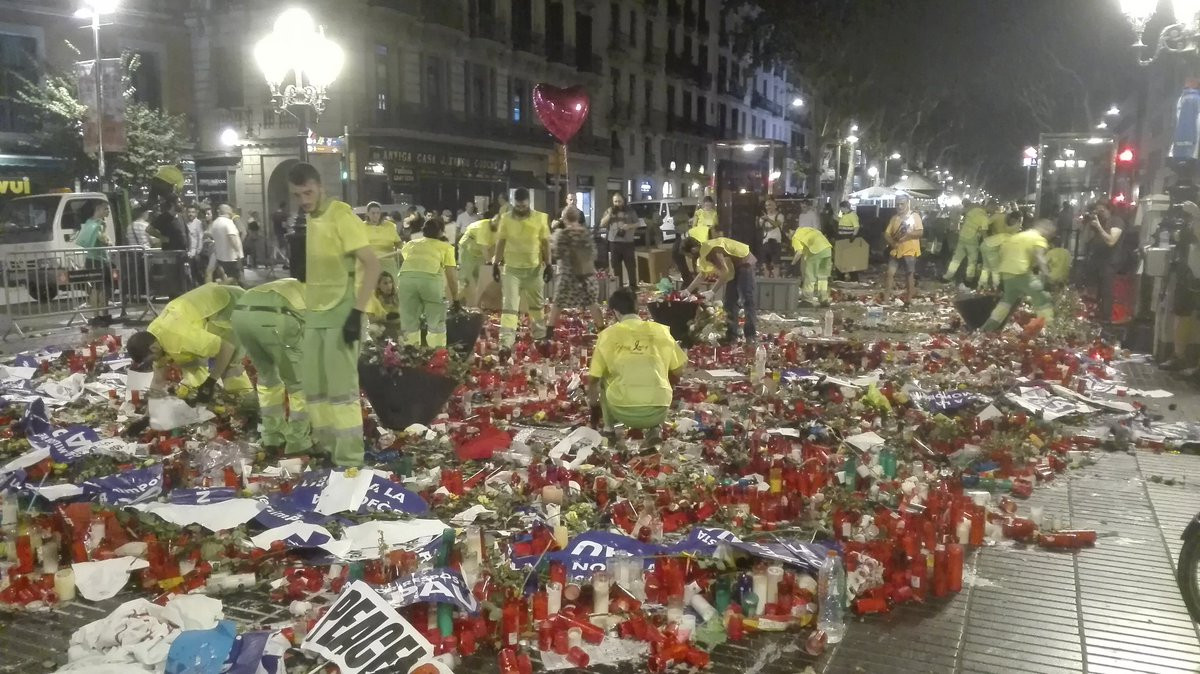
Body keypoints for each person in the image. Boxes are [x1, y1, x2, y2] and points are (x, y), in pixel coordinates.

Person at [290, 162, 380, 468]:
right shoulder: (311, 219)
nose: (303, 199)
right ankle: (328, 449)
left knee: (342, 392)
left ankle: (350, 458)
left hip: (342, 313)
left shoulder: (341, 215)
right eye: (298, 194)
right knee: (315, 389)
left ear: (320, 188)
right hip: (315, 314)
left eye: (308, 192)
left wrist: (357, 313)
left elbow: (373, 265)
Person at [125, 283, 251, 401]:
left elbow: (227, 348)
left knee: (229, 363)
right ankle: (205, 401)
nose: (153, 362)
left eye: (150, 360)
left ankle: (247, 403)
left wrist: (211, 380)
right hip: (203, 313)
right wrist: (149, 415)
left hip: (230, 304)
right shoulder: (152, 336)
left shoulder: (180, 337)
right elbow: (158, 380)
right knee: (187, 362)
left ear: (154, 348)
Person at [587, 288, 686, 438]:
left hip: (622, 411)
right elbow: (679, 371)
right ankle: (655, 428)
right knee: (662, 371)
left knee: (603, 378)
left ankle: (609, 428)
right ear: (637, 309)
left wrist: (594, 409)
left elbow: (592, 379)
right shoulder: (661, 331)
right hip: (658, 411)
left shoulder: (607, 335)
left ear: (616, 312)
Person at [230, 278, 311, 456]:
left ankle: (272, 436)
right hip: (278, 316)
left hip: (241, 313)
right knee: (299, 382)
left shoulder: (295, 284)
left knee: (267, 377)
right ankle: (298, 442)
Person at [494, 188, 551, 350]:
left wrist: (549, 265)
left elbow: (546, 244)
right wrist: (495, 264)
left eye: (523, 206)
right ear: (514, 203)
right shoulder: (505, 219)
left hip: (534, 270)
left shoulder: (540, 218)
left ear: (528, 203)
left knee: (537, 306)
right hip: (511, 270)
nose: (520, 209)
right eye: (517, 206)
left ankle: (540, 337)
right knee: (510, 306)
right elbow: (501, 242)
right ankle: (506, 343)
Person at [980, 219, 1057, 332]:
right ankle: (1050, 330)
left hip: (1006, 273)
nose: (1050, 236)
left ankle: (987, 328)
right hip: (1021, 272)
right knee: (1042, 298)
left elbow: (1003, 252)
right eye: (1050, 233)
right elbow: (1041, 259)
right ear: (1046, 230)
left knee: (1006, 302)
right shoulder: (1039, 239)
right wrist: (1047, 276)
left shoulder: (1016, 236)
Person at [396, 218, 459, 347]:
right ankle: (437, 357)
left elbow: (407, 258)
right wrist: (456, 299)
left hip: (405, 280)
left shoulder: (411, 243)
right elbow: (451, 277)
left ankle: (410, 355)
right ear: (441, 232)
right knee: (436, 324)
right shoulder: (446, 247)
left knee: (409, 322)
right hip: (430, 282)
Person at [683, 236, 757, 343]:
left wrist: (712, 291)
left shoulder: (711, 250)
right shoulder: (704, 251)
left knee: (747, 300)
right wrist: (687, 291)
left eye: (688, 255)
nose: (689, 258)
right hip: (733, 266)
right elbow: (702, 274)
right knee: (729, 302)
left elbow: (724, 272)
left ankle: (751, 335)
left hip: (744, 262)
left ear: (693, 249)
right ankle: (731, 335)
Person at [549, 206, 604, 338]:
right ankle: (602, 330)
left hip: (568, 276)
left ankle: (548, 332)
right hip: (587, 275)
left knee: (558, 303)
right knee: (592, 302)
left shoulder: (562, 234)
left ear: (564, 218)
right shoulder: (586, 233)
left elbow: (556, 253)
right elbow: (593, 254)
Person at [1161, 202, 1200, 375]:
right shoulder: (1189, 224)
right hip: (1187, 274)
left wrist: (1196, 216)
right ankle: (1179, 355)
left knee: (1187, 316)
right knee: (1182, 315)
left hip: (1194, 275)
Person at [74, 201, 115, 326]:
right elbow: (104, 240)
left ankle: (98, 315)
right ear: (98, 209)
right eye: (106, 209)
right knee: (100, 289)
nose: (108, 212)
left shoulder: (88, 223)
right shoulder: (98, 224)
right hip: (98, 260)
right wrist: (107, 239)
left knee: (97, 288)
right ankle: (100, 315)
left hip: (93, 259)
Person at [1086, 203, 1127, 323]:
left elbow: (1111, 241)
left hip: (1111, 261)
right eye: (1097, 211)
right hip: (1098, 260)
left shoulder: (1116, 221)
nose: (1100, 214)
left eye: (1102, 211)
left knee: (1106, 290)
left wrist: (1098, 227)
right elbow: (1086, 239)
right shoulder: (1100, 222)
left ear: (1109, 209)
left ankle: (1106, 318)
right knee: (1098, 291)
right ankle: (1099, 314)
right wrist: (1089, 224)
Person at [884, 197, 923, 304]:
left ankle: (908, 300)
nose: (899, 206)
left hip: (909, 250)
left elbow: (920, 233)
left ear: (907, 204)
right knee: (889, 273)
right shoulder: (894, 218)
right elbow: (887, 233)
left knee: (909, 275)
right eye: (897, 204)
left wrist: (908, 235)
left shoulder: (914, 216)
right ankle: (886, 300)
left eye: (902, 204)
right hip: (896, 250)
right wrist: (892, 243)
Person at [457, 208, 498, 306]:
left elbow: (494, 246)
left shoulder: (500, 230)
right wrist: (491, 263)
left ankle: (470, 305)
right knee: (466, 279)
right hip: (467, 250)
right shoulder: (483, 227)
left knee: (476, 279)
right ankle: (455, 303)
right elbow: (484, 248)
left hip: (479, 253)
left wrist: (495, 260)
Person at [943, 199, 988, 284]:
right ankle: (969, 279)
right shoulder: (984, 216)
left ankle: (947, 276)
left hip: (962, 236)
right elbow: (984, 232)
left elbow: (964, 216)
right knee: (972, 261)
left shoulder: (972, 211)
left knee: (956, 258)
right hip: (972, 239)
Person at [602, 192, 638, 289]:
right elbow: (602, 224)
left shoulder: (630, 211)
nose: (617, 203)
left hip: (628, 243)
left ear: (623, 201)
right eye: (615, 201)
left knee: (630, 266)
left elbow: (638, 223)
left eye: (619, 201)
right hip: (614, 243)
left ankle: (633, 286)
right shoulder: (609, 211)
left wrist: (629, 226)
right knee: (616, 266)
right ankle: (619, 286)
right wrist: (609, 215)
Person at [791, 226, 833, 306]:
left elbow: (799, 252)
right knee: (823, 277)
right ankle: (823, 299)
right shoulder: (809, 230)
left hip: (815, 251)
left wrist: (792, 263)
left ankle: (807, 300)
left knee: (810, 277)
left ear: (791, 231)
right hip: (827, 250)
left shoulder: (796, 236)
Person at [207, 205, 245, 285]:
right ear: (228, 211)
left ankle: (222, 288)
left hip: (221, 256)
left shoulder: (215, 223)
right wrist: (237, 252)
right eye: (231, 210)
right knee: (235, 277)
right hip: (231, 257)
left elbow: (210, 235)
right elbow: (232, 237)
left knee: (227, 276)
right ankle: (219, 286)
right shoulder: (228, 223)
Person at [364, 201, 402, 279]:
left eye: (378, 213)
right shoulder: (361, 227)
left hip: (388, 262)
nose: (375, 215)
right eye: (373, 213)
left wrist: (402, 249)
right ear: (367, 213)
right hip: (370, 263)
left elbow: (398, 243)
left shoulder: (390, 226)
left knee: (391, 287)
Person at [978, 217, 1017, 292]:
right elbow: (1003, 251)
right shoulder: (1011, 239)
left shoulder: (1005, 235)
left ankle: (981, 285)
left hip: (983, 245)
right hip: (991, 248)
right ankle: (996, 286)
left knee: (986, 267)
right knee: (995, 269)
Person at [365, 271, 403, 340]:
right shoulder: (372, 297)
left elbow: (402, 317)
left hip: (396, 326)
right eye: (385, 283)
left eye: (390, 282)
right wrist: (385, 317)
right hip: (382, 326)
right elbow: (371, 320)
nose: (389, 285)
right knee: (373, 329)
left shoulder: (396, 295)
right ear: (378, 285)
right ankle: (380, 344)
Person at [759, 198, 785, 276]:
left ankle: (776, 282)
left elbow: (777, 224)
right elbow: (762, 227)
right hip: (766, 242)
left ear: (775, 206)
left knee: (776, 264)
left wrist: (768, 219)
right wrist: (763, 219)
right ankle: (766, 283)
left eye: (770, 205)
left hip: (776, 242)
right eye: (766, 205)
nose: (768, 207)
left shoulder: (779, 215)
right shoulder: (763, 218)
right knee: (765, 265)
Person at [185, 205, 206, 285]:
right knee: (190, 273)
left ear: (196, 214)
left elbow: (200, 237)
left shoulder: (198, 223)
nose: (191, 214)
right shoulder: (186, 223)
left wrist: (198, 251)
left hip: (196, 253)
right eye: (189, 212)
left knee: (198, 273)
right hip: (188, 252)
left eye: (193, 212)